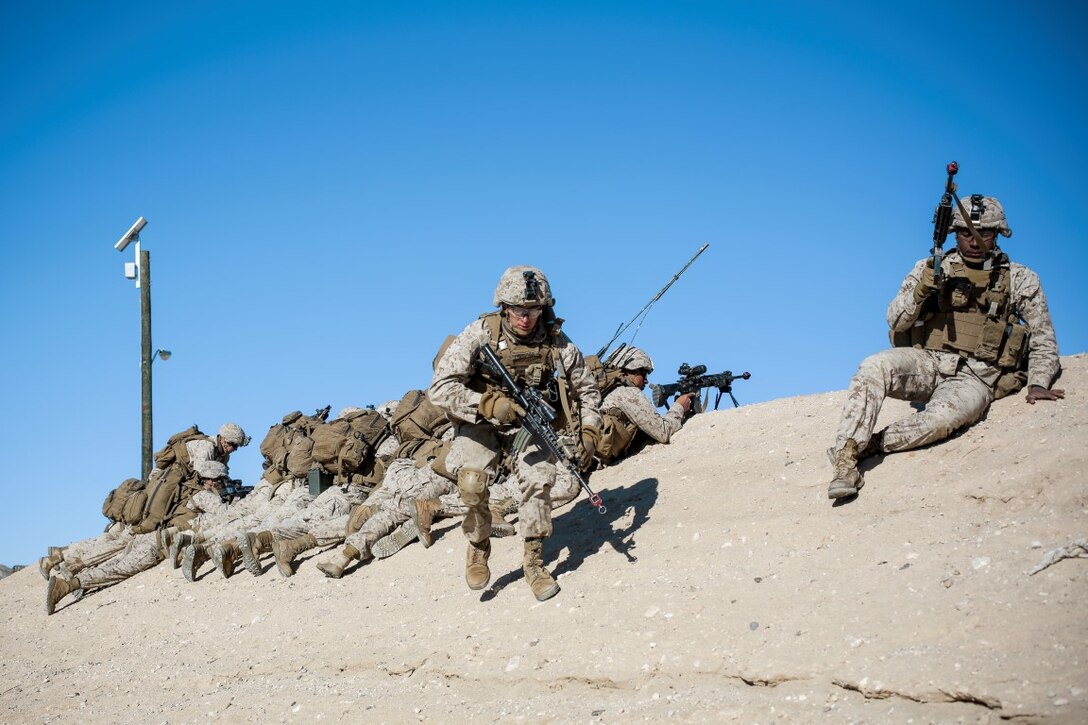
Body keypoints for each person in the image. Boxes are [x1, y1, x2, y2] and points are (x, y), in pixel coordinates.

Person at [827, 194, 1063, 499]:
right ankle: (845, 461)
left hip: (977, 376)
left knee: (941, 420)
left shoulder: (1020, 278)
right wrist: (921, 291)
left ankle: (868, 446)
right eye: (966, 233)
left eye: (984, 233)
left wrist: (1038, 382)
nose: (974, 241)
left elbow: (1043, 337)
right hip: (928, 362)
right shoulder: (932, 268)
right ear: (954, 233)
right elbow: (895, 320)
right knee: (874, 366)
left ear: (998, 234)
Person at [428, 265, 602, 601]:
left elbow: (588, 391)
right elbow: (440, 389)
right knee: (472, 483)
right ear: (504, 307)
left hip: (527, 423)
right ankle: (479, 545)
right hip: (479, 420)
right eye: (519, 310)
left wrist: (591, 431)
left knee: (539, 480)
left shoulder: (557, 342)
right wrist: (487, 404)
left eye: (533, 311)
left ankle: (534, 562)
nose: (526, 319)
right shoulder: (481, 333)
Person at [46, 459, 233, 614]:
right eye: (222, 481)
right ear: (212, 480)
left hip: (147, 535)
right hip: (156, 544)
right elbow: (226, 514)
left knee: (115, 563)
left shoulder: (185, 488)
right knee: (119, 570)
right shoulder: (204, 496)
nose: (223, 485)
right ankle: (67, 586)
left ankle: (78, 578)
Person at [594, 346, 695, 464]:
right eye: (644, 373)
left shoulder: (601, 393)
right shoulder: (628, 393)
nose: (646, 380)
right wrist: (679, 406)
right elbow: (663, 432)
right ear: (629, 371)